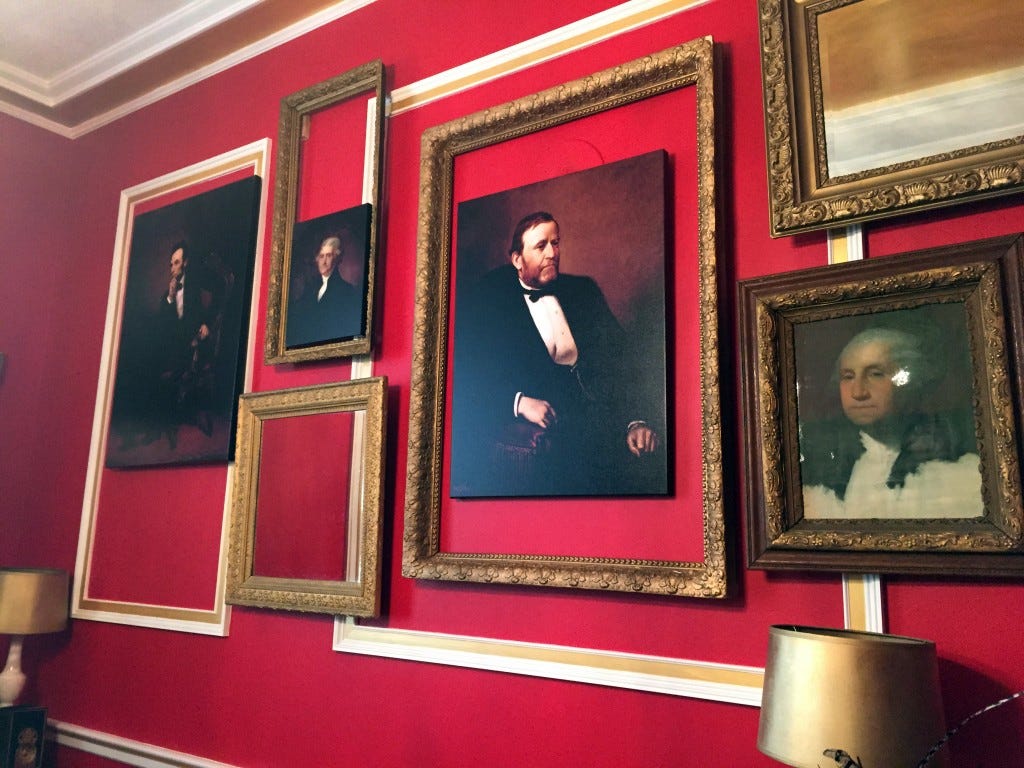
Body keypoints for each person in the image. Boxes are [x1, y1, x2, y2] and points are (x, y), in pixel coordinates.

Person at [450, 211, 666, 497]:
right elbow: (467, 375)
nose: (552, 253)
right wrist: (519, 402)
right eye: (541, 246)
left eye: (556, 242)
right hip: (559, 428)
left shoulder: (584, 291)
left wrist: (636, 421)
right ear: (517, 259)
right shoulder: (489, 300)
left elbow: (623, 361)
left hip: (609, 418)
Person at [799, 326, 982, 519]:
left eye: (876, 374)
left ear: (909, 382)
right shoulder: (818, 466)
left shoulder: (961, 470)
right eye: (848, 377)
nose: (858, 392)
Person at [154, 241, 225, 449]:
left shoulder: (196, 284)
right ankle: (166, 422)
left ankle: (191, 415)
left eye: (176, 263)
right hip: (175, 343)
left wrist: (206, 324)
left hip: (194, 340)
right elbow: (163, 323)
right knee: (161, 363)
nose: (172, 268)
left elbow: (213, 301)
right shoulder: (169, 292)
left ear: (185, 263)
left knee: (186, 365)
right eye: (171, 264)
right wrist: (170, 297)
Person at [286, 235, 363, 347]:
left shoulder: (346, 290)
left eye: (329, 256)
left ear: (337, 258)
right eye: (321, 256)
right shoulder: (310, 290)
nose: (324, 261)